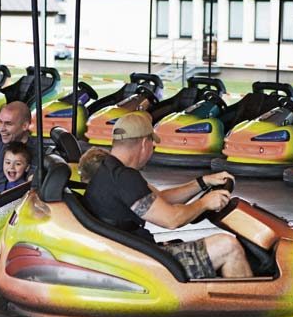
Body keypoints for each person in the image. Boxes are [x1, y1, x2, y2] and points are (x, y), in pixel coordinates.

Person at [84, 111, 253, 280]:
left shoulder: (110, 170)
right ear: (144, 143)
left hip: (130, 253)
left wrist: (202, 183)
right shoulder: (124, 178)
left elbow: (161, 199)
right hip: (140, 263)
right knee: (228, 246)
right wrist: (204, 203)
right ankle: (248, 306)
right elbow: (171, 220)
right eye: (152, 144)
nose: (153, 149)